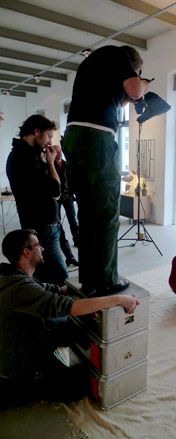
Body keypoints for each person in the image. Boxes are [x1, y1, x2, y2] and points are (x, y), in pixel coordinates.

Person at [0, 229, 139, 408]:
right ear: (27, 252)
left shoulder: (11, 274)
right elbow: (71, 308)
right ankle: (30, 393)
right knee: (79, 386)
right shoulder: (19, 288)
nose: (42, 248)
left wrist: (77, 287)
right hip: (18, 370)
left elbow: (46, 290)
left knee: (71, 329)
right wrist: (119, 299)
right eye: (37, 245)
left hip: (24, 339)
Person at [62, 45, 150, 297]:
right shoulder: (118, 55)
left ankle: (89, 279)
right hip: (96, 137)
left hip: (75, 136)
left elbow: (118, 98)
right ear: (133, 66)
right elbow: (134, 89)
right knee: (108, 212)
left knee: (89, 213)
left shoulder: (93, 66)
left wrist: (128, 97)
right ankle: (107, 280)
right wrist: (143, 86)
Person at [6, 114, 68, 285]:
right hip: (43, 224)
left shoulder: (24, 155)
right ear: (37, 131)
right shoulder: (25, 159)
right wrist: (50, 163)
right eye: (48, 135)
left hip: (37, 222)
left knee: (43, 271)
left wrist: (54, 162)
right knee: (61, 277)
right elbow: (56, 191)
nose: (49, 141)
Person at [54, 143, 79, 248]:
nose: (59, 153)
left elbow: (73, 180)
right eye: (57, 151)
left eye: (60, 151)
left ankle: (77, 240)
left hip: (68, 196)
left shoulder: (67, 165)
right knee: (57, 220)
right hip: (55, 198)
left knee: (72, 219)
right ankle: (61, 242)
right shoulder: (49, 166)